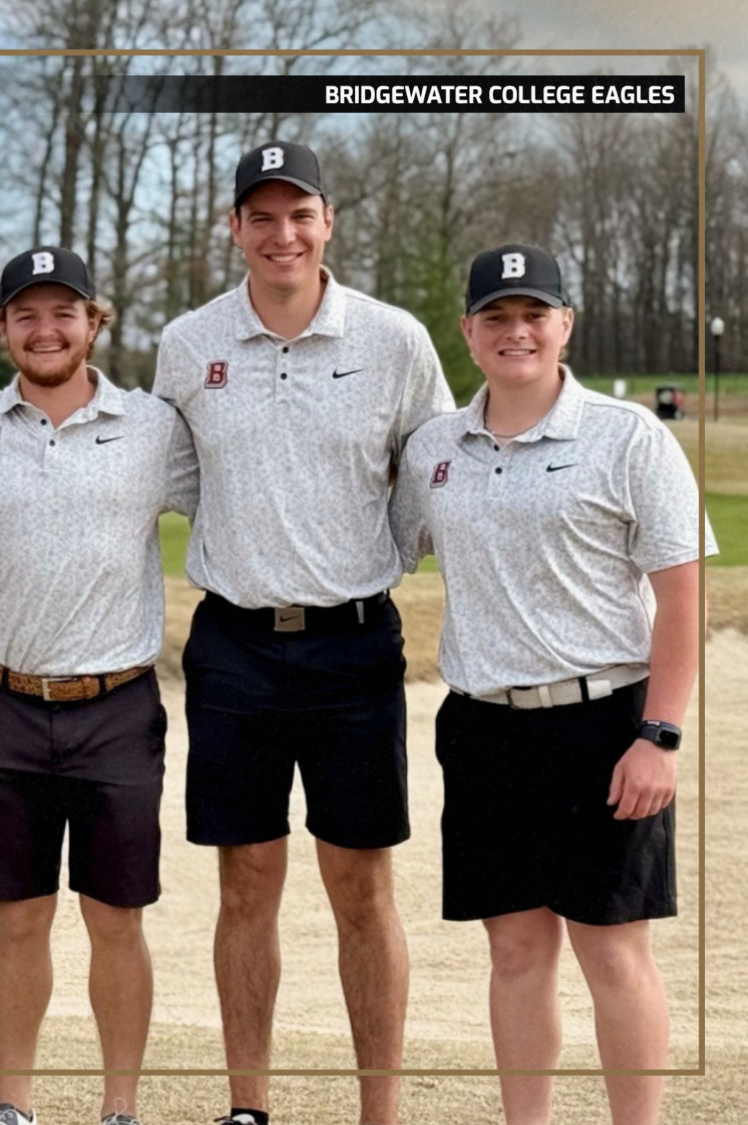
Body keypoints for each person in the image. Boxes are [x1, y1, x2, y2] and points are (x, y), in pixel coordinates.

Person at [150, 140, 454, 1125]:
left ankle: (380, 1110)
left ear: (327, 223)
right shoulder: (186, 343)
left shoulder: (393, 339)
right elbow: (175, 476)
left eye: (299, 214)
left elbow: (430, 477)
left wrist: (362, 561)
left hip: (353, 645)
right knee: (246, 878)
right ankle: (248, 1105)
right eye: (260, 216)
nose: (281, 234)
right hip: (233, 643)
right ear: (233, 228)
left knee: (358, 884)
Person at [393, 244, 711, 1125]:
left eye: (535, 314)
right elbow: (379, 541)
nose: (517, 331)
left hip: (606, 723)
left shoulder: (627, 435)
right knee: (517, 951)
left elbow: (682, 598)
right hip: (484, 725)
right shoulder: (435, 449)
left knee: (612, 953)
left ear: (566, 323)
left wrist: (661, 734)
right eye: (496, 316)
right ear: (468, 331)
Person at [0, 247, 197, 1125]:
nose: (45, 330)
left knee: (116, 918)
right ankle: (12, 1103)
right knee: (18, 919)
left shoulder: (155, 427)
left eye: (64, 313)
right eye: (26, 314)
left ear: (96, 321)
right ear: (3, 327)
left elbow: (235, 504)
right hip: (6, 702)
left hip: (118, 705)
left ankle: (118, 1107)